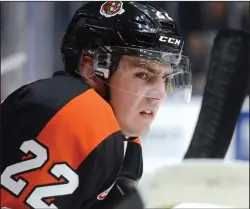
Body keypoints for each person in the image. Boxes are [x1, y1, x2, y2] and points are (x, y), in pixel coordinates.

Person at [0, 1, 192, 209]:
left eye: (165, 79)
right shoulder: (75, 113)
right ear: (91, 69)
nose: (160, 95)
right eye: (143, 75)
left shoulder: (127, 145)